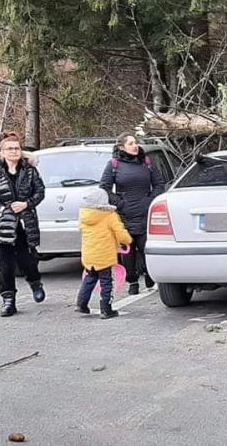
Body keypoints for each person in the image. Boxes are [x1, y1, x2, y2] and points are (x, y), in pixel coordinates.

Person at [0, 132, 46, 317]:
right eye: (9, 149)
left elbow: (40, 192)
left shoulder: (30, 170)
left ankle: (35, 283)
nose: (14, 152)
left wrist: (26, 204)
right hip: (2, 222)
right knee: (5, 264)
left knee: (27, 260)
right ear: (2, 152)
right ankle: (8, 300)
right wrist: (0, 208)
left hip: (25, 222)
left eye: (17, 148)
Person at [99, 134, 165, 295]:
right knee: (128, 250)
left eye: (136, 143)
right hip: (125, 216)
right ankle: (132, 281)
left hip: (145, 213)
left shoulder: (146, 162)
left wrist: (150, 201)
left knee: (146, 247)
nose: (135, 146)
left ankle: (150, 275)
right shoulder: (114, 165)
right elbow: (104, 189)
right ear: (122, 147)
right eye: (131, 143)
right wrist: (120, 203)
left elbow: (159, 184)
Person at [76, 187, 133, 319]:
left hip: (89, 254)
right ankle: (106, 309)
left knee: (89, 279)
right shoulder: (109, 215)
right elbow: (119, 232)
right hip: (104, 255)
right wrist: (127, 240)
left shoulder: (84, 215)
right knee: (106, 282)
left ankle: (81, 304)